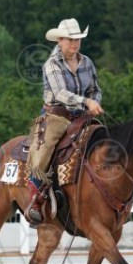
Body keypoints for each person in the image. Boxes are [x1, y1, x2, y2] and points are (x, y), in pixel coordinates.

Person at [25, 18, 104, 225]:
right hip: (56, 116)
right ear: (59, 40)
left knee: (105, 140)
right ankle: (35, 199)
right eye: (70, 40)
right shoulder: (52, 64)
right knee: (43, 152)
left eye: (77, 39)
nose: (75, 44)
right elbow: (60, 93)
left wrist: (94, 101)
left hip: (82, 116)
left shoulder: (87, 62)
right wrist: (86, 102)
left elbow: (95, 89)